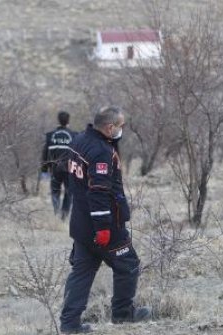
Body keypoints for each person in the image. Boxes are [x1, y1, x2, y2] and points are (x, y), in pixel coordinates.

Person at [59, 106, 150, 334]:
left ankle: (69, 324)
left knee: (82, 270)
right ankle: (122, 315)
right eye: (120, 126)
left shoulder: (79, 140)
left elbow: (63, 172)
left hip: (80, 223)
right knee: (128, 265)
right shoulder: (101, 151)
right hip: (104, 225)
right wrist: (103, 228)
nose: (122, 130)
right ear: (110, 128)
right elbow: (98, 192)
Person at [41, 111, 77, 221]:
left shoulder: (50, 136)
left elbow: (45, 153)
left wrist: (44, 170)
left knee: (55, 191)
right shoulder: (74, 135)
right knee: (69, 193)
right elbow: (77, 154)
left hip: (55, 169)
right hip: (69, 169)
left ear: (58, 120)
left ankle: (56, 213)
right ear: (68, 121)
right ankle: (64, 216)